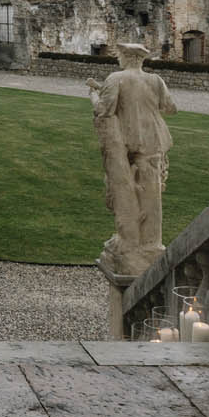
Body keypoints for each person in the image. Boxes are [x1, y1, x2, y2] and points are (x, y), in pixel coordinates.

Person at [88, 43, 176, 275]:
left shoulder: (117, 77)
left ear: (126, 57)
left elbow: (104, 110)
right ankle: (150, 243)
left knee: (124, 190)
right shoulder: (155, 80)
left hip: (129, 142)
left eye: (119, 55)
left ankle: (129, 241)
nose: (117, 59)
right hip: (154, 141)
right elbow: (170, 108)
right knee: (152, 193)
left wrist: (93, 95)